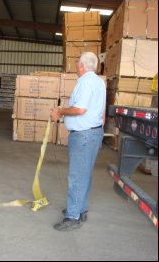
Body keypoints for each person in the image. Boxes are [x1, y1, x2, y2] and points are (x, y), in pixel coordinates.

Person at [51, 52, 106, 231]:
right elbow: (101, 112)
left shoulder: (85, 82)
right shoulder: (99, 82)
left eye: (76, 62)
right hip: (93, 133)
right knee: (84, 175)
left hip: (83, 136)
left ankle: (72, 217)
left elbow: (80, 109)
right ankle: (80, 209)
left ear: (82, 65)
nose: (75, 65)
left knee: (76, 176)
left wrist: (60, 112)